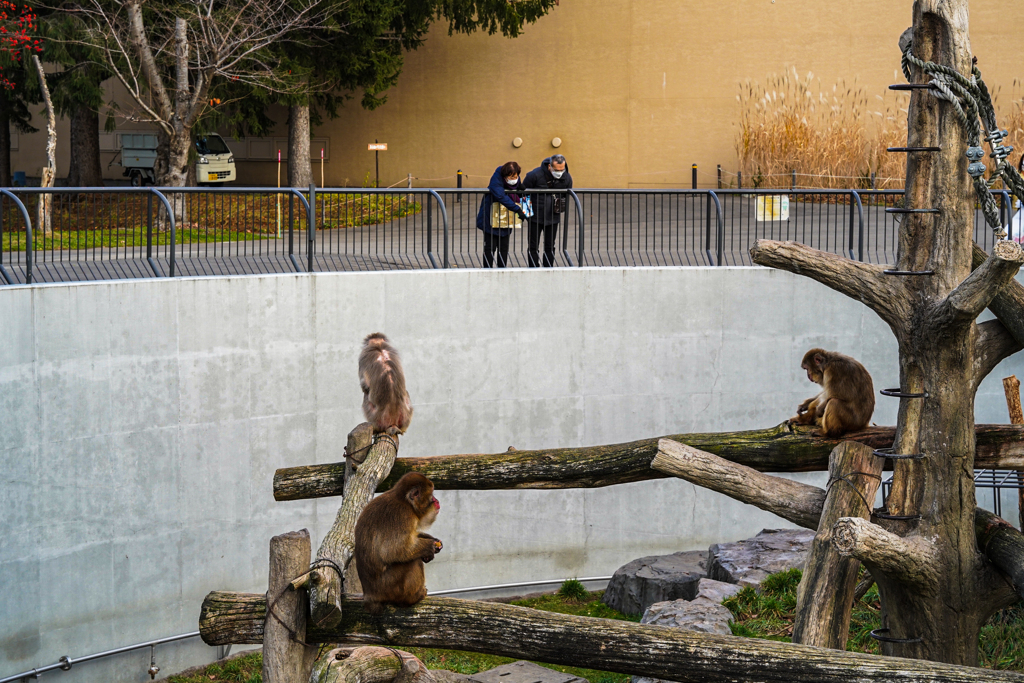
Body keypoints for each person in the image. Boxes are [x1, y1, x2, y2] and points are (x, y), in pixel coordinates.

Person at [523, 154, 572, 267]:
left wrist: (560, 207)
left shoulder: (567, 177)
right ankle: (533, 268)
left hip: (553, 217)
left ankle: (548, 268)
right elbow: (523, 194)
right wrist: (526, 214)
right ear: (549, 166)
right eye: (556, 170)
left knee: (550, 246)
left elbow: (567, 195)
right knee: (533, 246)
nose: (560, 172)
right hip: (535, 217)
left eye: (562, 169)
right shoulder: (534, 175)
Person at [476, 161, 527, 268]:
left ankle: (502, 269)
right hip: (491, 217)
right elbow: (500, 195)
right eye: (510, 177)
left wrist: (520, 190)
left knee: (504, 247)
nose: (513, 179)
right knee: (490, 248)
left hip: (506, 218)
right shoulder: (497, 178)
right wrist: (517, 209)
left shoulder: (516, 180)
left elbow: (517, 194)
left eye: (515, 177)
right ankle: (487, 270)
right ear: (505, 176)